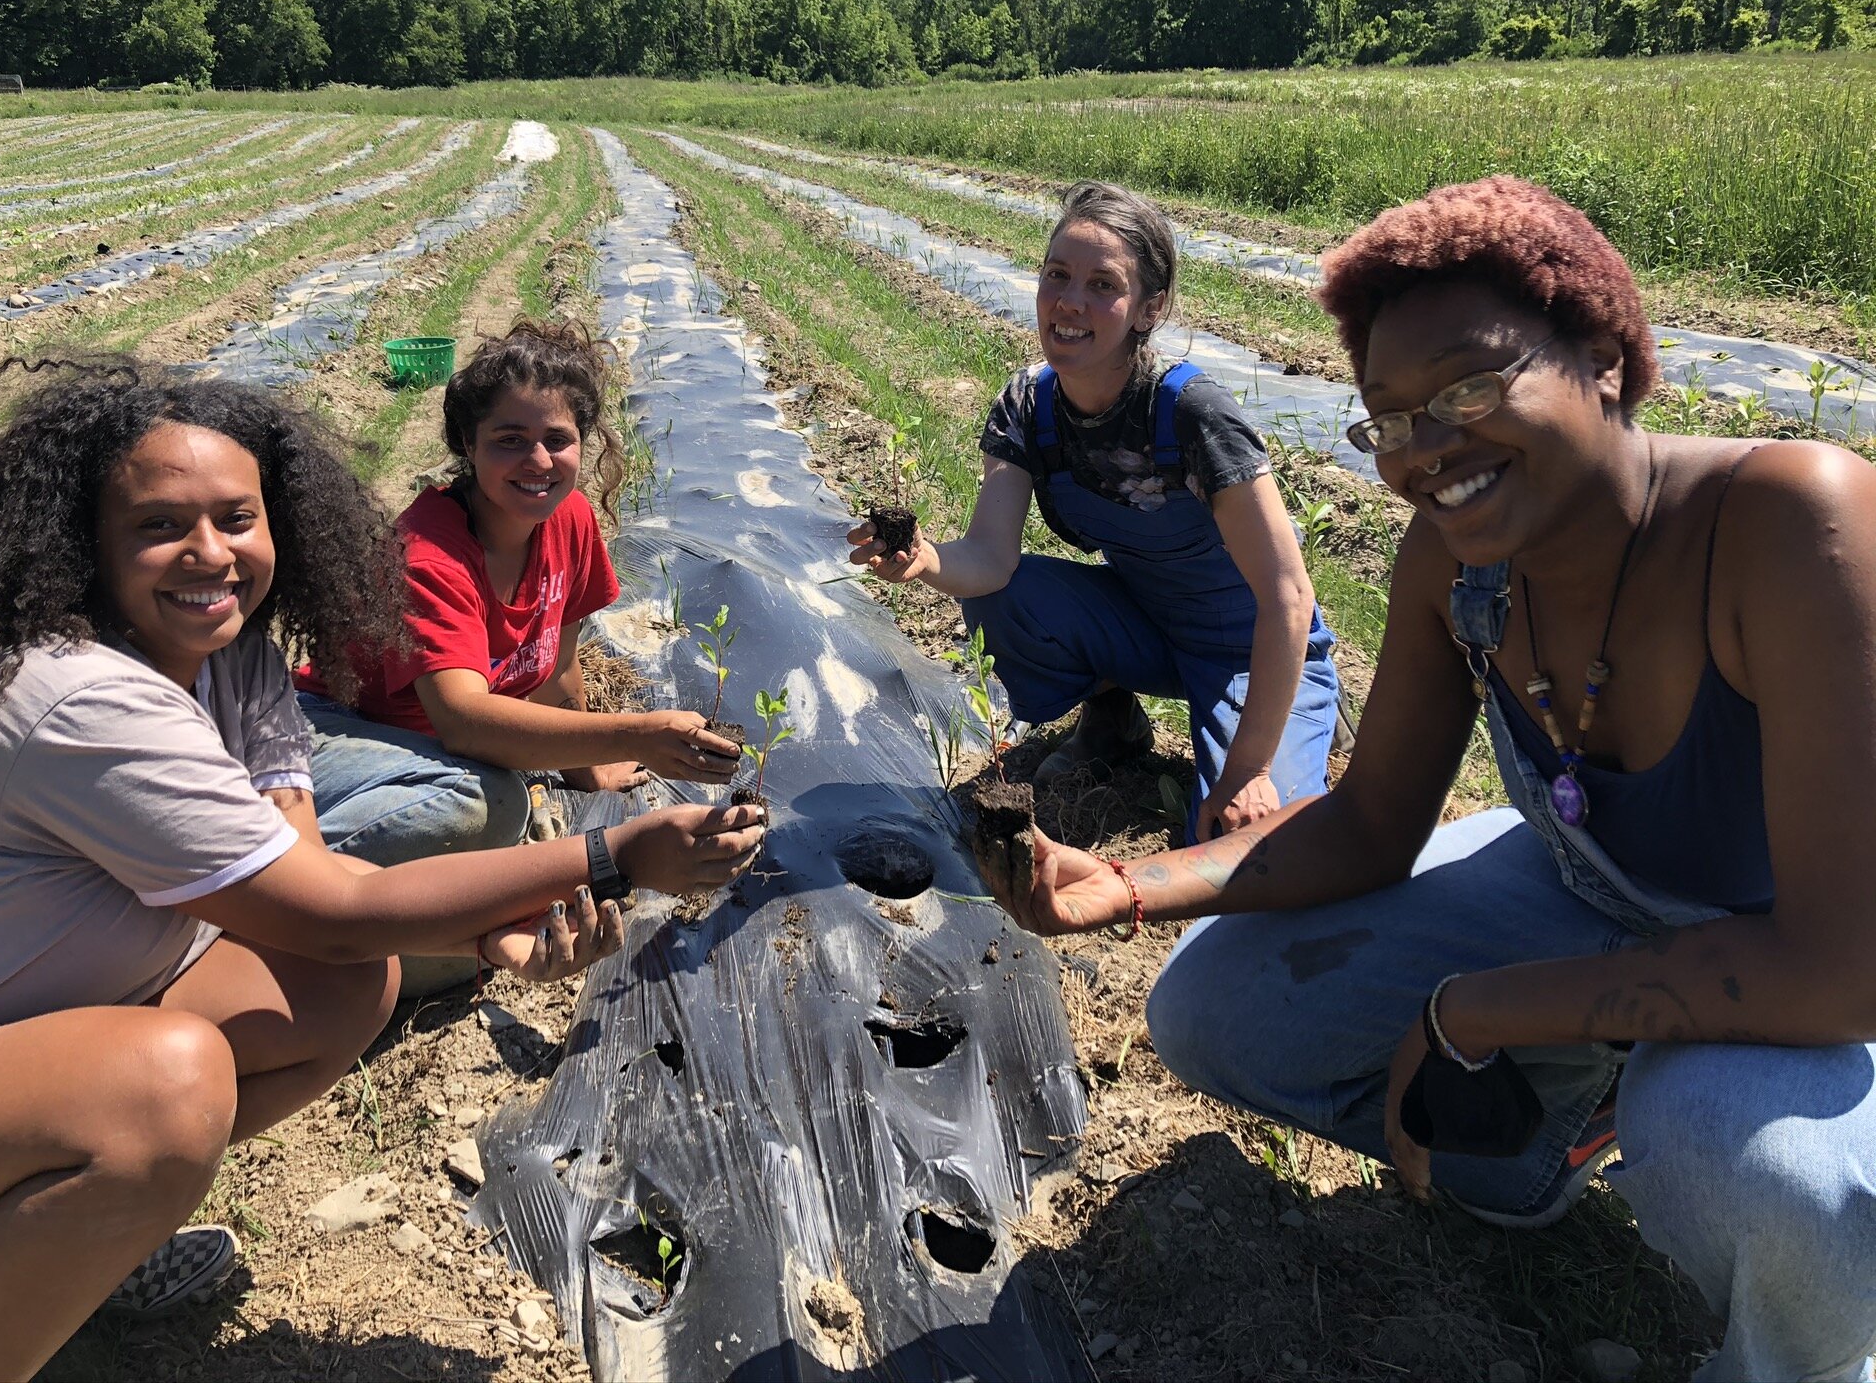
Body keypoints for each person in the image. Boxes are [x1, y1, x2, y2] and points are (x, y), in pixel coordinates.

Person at [981, 175, 1876, 1381]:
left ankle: (1797, 1358)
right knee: (1210, 1011)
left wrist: (1473, 1014)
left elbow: (1840, 972)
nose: (1424, 450)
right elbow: (1366, 824)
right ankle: (1547, 1141)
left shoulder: (1784, 523)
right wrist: (1130, 888)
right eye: (1388, 419)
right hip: (1590, 896)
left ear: (1604, 357)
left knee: (1763, 1176)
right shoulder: (1454, 567)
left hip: (1812, 964)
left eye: (1465, 387)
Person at [0, 358, 763, 1383]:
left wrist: (485, 936)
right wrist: (613, 852)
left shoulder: (234, 664)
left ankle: (62, 1246)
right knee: (162, 1089)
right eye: (157, 526)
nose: (209, 553)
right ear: (81, 544)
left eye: (237, 518)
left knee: (340, 987)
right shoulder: (75, 697)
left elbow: (323, 904)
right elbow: (329, 908)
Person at [850, 180, 1338, 843]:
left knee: (1245, 841)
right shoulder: (1028, 405)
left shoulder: (1192, 414)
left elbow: (1287, 595)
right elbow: (991, 559)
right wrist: (926, 559)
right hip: (1148, 621)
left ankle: (1296, 714)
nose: (1070, 302)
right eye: (1057, 275)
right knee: (1009, 598)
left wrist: (1248, 769)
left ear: (1149, 308)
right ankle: (1113, 718)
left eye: (1103, 284)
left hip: (1249, 648)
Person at [298, 319, 742, 878]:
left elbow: (558, 665)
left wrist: (589, 770)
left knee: (491, 800)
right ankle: (276, 886)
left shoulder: (570, 518)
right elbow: (463, 722)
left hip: (430, 746)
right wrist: (636, 735)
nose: (538, 461)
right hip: (337, 727)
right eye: (509, 440)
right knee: (493, 802)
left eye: (557, 440)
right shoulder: (426, 558)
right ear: (468, 444)